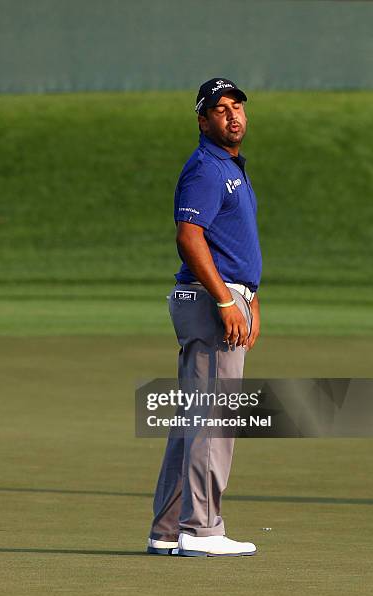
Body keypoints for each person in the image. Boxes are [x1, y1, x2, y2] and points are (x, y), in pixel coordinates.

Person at [147, 78, 262, 557]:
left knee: (194, 417)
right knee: (213, 418)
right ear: (202, 120)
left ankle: (169, 530)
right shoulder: (206, 169)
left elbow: (232, 244)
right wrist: (224, 300)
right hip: (208, 301)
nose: (233, 115)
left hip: (221, 296)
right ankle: (203, 530)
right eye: (220, 109)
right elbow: (189, 237)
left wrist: (251, 298)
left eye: (237, 106)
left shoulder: (228, 166)